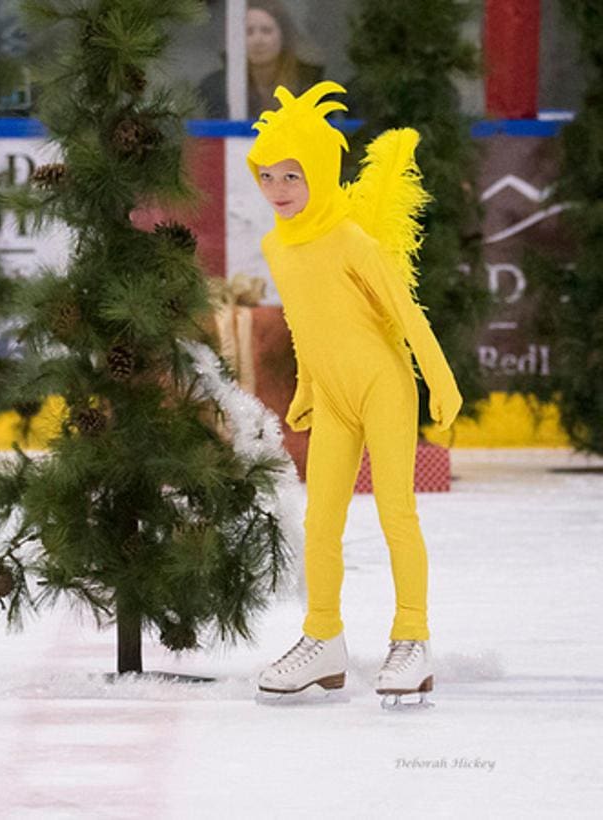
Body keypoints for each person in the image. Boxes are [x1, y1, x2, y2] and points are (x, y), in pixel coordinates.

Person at [246, 81, 462, 706]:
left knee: (396, 512)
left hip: (384, 387)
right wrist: (309, 387)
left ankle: (412, 637)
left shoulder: (350, 240)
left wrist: (440, 384)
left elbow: (407, 311)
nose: (279, 189)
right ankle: (323, 638)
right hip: (334, 398)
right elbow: (302, 321)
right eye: (267, 176)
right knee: (320, 523)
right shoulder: (275, 246)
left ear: (320, 172)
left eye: (293, 175)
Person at [198, 0, 323, 119]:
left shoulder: (308, 85)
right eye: (249, 32)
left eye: (266, 31)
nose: (258, 40)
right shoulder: (213, 88)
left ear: (284, 37)